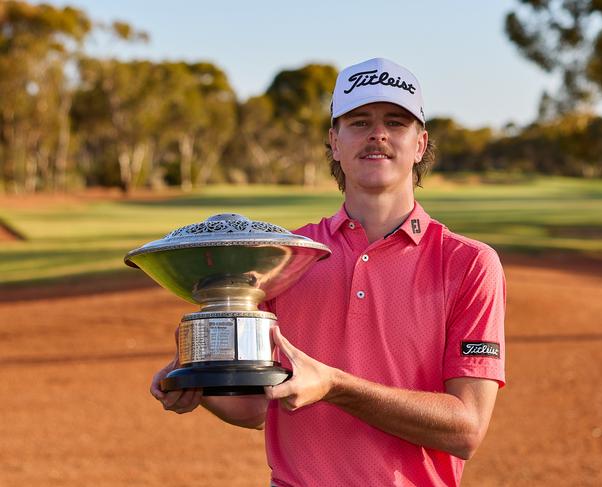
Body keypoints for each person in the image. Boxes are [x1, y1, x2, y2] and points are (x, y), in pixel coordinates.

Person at [151, 57, 506, 486]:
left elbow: (466, 428)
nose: (378, 133)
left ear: (420, 143)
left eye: (396, 122)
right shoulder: (283, 257)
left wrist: (336, 385)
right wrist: (199, 380)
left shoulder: (467, 263)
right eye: (358, 122)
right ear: (335, 142)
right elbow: (263, 407)